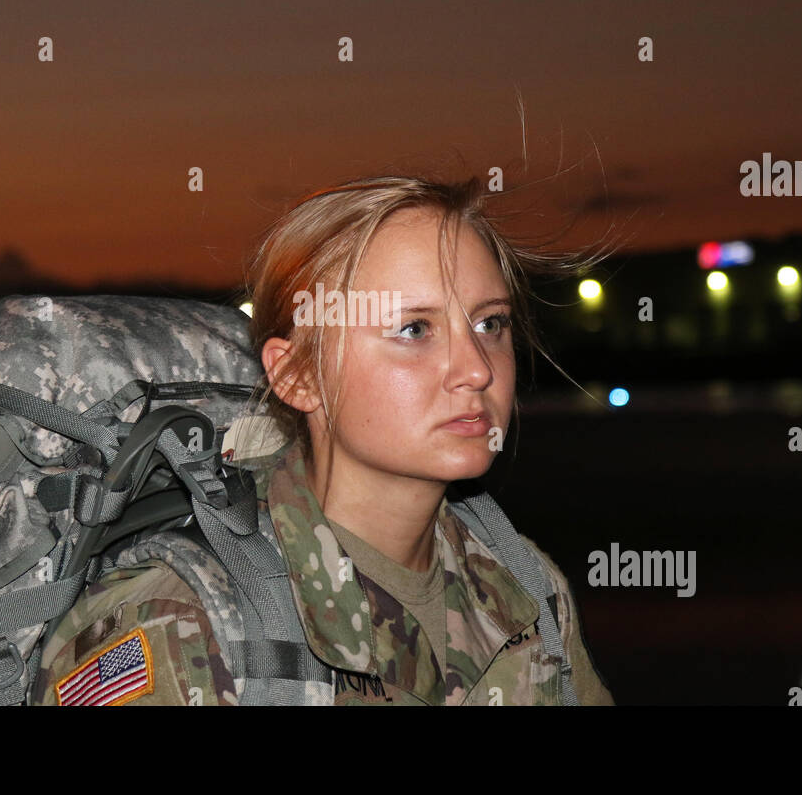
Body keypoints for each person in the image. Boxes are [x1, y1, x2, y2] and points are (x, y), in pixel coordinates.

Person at [35, 175, 615, 705]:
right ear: (298, 376)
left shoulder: (524, 585)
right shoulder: (184, 625)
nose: (476, 370)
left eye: (490, 323)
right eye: (414, 330)